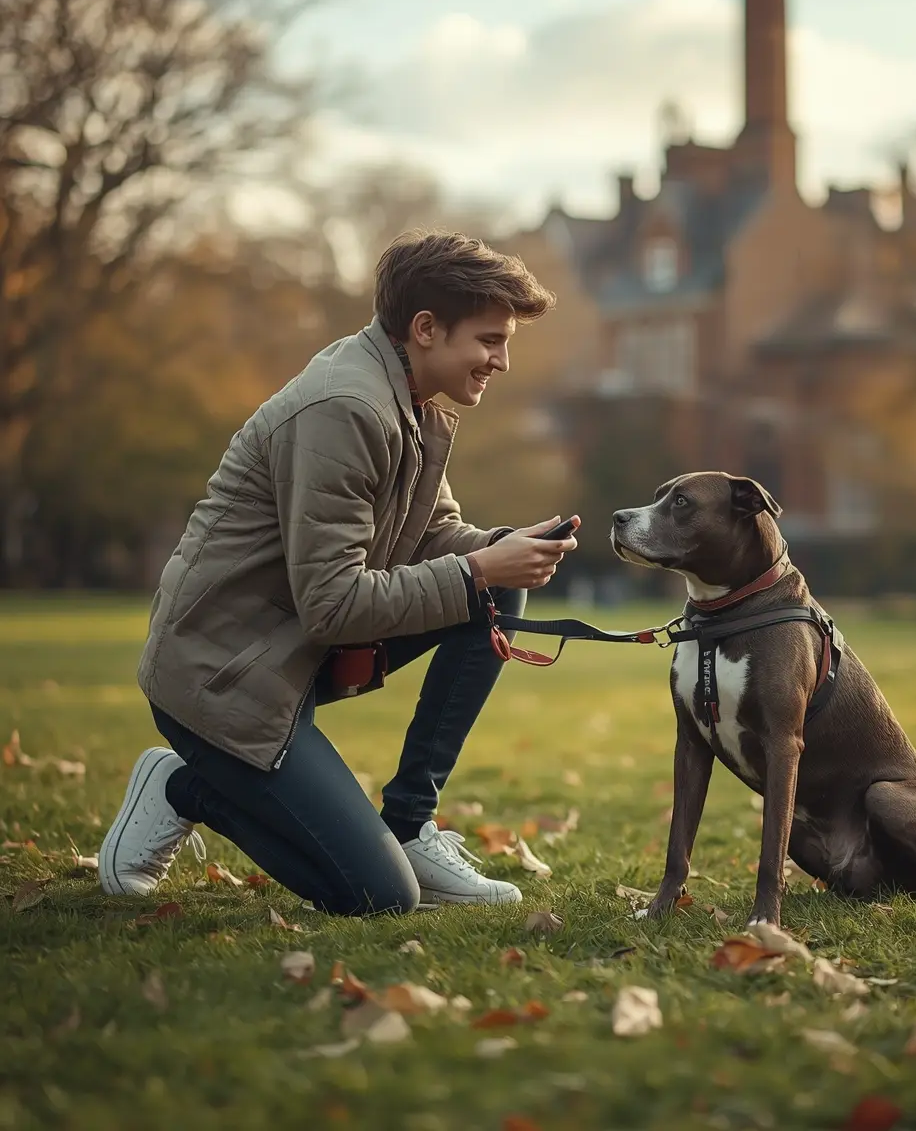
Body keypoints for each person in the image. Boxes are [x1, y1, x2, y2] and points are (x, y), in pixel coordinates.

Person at [98, 231, 578, 916]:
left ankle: (409, 825)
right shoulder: (346, 408)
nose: (501, 361)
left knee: (498, 589)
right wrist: (478, 566)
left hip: (288, 656)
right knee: (376, 896)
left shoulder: (412, 400)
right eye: (490, 340)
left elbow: (432, 535)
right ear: (425, 329)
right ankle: (185, 787)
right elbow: (332, 606)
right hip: (222, 680)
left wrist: (505, 550)